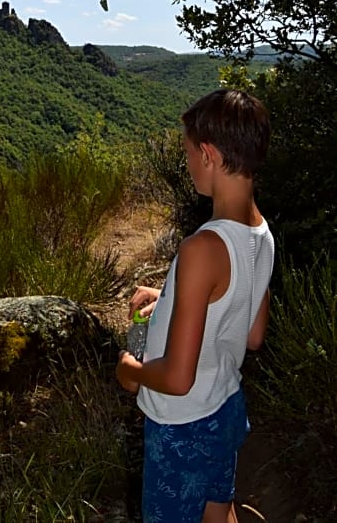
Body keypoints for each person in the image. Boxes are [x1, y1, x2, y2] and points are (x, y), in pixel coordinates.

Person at [116, 89, 274, 523]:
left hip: (180, 425)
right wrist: (166, 297)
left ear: (207, 154)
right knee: (216, 509)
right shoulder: (262, 233)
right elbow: (251, 333)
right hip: (224, 408)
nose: (187, 165)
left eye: (188, 153)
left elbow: (178, 377)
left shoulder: (202, 247)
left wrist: (130, 371)